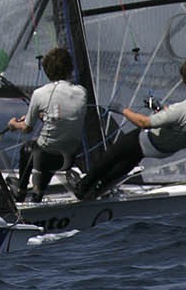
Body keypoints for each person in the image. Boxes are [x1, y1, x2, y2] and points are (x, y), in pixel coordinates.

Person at [72, 61, 186, 200]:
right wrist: (160, 110)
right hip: (163, 151)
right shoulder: (179, 111)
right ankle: (98, 189)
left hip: (144, 141)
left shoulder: (181, 109)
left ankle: (82, 187)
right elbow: (177, 125)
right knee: (127, 164)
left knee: (110, 158)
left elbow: (144, 123)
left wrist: (122, 110)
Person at [7, 47, 87, 202]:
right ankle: (38, 192)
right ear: (70, 69)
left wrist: (12, 124)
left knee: (29, 148)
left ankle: (21, 190)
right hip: (70, 157)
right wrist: (45, 116)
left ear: (46, 71)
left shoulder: (39, 93)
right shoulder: (82, 92)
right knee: (52, 145)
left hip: (45, 157)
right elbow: (68, 116)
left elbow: (26, 128)